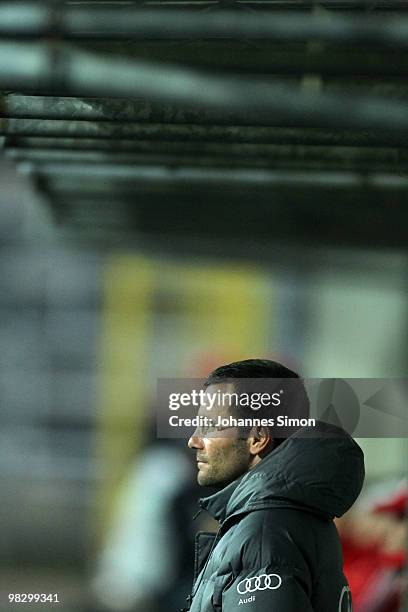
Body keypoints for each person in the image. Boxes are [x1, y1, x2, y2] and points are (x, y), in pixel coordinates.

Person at [185, 359, 365, 611]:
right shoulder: (286, 516)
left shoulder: (264, 532)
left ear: (257, 438)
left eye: (209, 426)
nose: (194, 440)